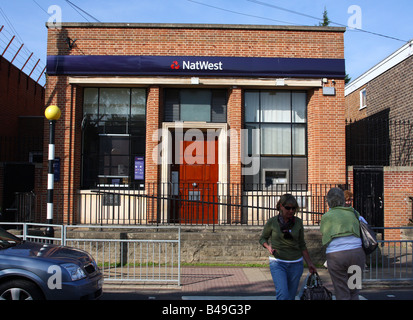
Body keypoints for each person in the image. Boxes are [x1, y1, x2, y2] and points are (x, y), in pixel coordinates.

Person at [259, 193, 317, 300]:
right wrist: (268, 247)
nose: (291, 211)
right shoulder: (272, 222)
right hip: (278, 262)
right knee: (283, 294)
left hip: (295, 263)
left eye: (293, 208)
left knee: (290, 296)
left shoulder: (298, 222)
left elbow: (302, 244)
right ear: (281, 206)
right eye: (288, 208)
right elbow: (263, 238)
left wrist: (310, 264)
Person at [320, 187, 366, 300]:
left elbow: (325, 235)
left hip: (336, 255)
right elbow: (364, 225)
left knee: (342, 291)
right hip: (356, 253)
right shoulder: (354, 213)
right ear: (342, 200)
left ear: (329, 201)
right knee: (354, 290)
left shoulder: (327, 216)